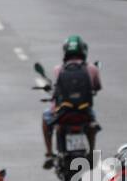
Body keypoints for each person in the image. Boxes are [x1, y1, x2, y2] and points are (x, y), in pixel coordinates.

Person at [43, 35, 102, 169]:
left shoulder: (59, 69)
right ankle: (92, 152)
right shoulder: (92, 68)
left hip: (63, 111)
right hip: (84, 110)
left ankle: (49, 153)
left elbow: (56, 88)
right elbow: (97, 86)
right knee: (92, 124)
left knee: (46, 118)